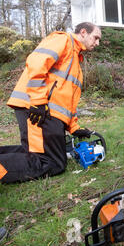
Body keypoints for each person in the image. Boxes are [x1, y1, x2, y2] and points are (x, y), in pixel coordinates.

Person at [0, 22, 102, 184]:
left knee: (45, 154)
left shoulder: (75, 61)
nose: (97, 43)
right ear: (83, 32)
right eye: (96, 37)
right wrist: (38, 102)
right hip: (37, 109)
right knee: (51, 162)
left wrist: (74, 128)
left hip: (47, 112)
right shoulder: (63, 40)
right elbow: (36, 62)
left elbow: (68, 102)